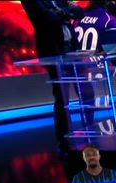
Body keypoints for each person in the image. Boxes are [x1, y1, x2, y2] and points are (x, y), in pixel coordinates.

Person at [21, 0, 85, 155]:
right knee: (62, 97)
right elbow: (47, 19)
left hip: (72, 50)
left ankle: (89, 129)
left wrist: (63, 12)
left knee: (85, 91)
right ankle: (64, 141)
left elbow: (79, 13)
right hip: (54, 52)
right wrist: (66, 12)